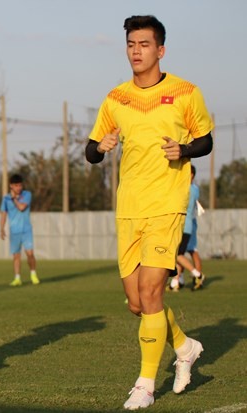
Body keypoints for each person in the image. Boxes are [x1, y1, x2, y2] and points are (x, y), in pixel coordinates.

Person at [85, 16, 213, 410]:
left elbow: (205, 140)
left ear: (160, 50)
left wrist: (185, 150)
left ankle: (145, 384)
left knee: (152, 291)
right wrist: (101, 146)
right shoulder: (116, 97)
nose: (136, 51)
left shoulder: (186, 92)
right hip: (129, 209)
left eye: (144, 44)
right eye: (131, 44)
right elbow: (90, 152)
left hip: (166, 206)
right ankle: (185, 345)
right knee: (138, 303)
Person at [169, 165, 205, 292]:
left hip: (184, 226)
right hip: (186, 226)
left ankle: (197, 274)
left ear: (191, 175)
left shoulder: (188, 189)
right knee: (180, 254)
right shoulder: (194, 188)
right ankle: (176, 281)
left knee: (177, 254)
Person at [0, 174, 39, 286]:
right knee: (16, 256)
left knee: (30, 253)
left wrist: (14, 199)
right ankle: (17, 278)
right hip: (14, 231)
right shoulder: (6, 198)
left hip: (26, 230)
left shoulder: (27, 194)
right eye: (16, 185)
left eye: (20, 185)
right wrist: (1, 228)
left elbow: (22, 208)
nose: (19, 188)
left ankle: (33, 274)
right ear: (11, 186)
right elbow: (3, 213)